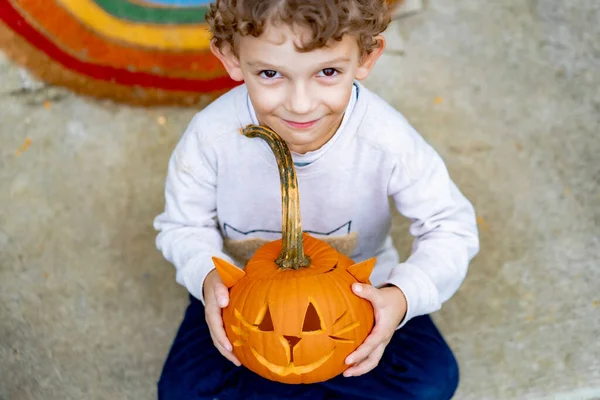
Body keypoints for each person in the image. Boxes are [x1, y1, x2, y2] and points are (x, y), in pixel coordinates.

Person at [153, 0, 479, 398]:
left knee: (431, 380)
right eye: (271, 73)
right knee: (183, 391)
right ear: (231, 58)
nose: (301, 104)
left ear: (366, 57)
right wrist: (207, 279)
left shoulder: (385, 139)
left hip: (360, 299)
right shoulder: (212, 136)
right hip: (245, 303)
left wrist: (399, 298)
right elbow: (184, 226)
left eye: (328, 72)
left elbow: (451, 227)